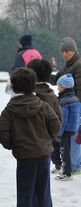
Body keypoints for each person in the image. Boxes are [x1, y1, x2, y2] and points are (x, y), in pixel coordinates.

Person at [0, 67, 61, 207]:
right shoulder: (43, 105)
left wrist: (13, 145)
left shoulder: (10, 109)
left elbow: (1, 133)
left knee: (26, 193)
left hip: (25, 158)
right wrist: (46, 140)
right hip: (43, 155)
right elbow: (55, 124)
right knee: (43, 191)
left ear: (14, 86)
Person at [9, 58, 62, 207]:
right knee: (43, 186)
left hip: (28, 147)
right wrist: (48, 138)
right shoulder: (52, 96)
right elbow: (58, 120)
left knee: (29, 187)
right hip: (46, 146)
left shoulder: (30, 97)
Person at [51, 37, 81, 174]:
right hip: (72, 104)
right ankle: (73, 163)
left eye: (67, 51)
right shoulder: (68, 64)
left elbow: (80, 88)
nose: (64, 54)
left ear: (73, 50)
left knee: (74, 135)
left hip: (76, 105)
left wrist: (77, 106)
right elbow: (58, 79)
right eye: (63, 51)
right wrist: (42, 75)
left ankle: (75, 166)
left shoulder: (78, 64)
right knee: (72, 135)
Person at [51, 74, 81, 181]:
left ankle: (67, 173)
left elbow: (62, 121)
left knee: (64, 151)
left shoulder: (63, 102)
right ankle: (59, 165)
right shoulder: (75, 99)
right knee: (56, 146)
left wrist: (59, 134)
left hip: (65, 131)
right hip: (73, 128)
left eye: (59, 86)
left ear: (64, 87)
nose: (58, 87)